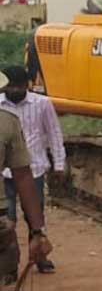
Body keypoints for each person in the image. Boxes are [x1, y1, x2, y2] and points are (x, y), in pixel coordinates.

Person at [0, 68, 52, 282]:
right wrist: (38, 231)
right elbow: (23, 176)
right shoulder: (8, 122)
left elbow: (22, 175)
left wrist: (38, 231)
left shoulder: (9, 122)